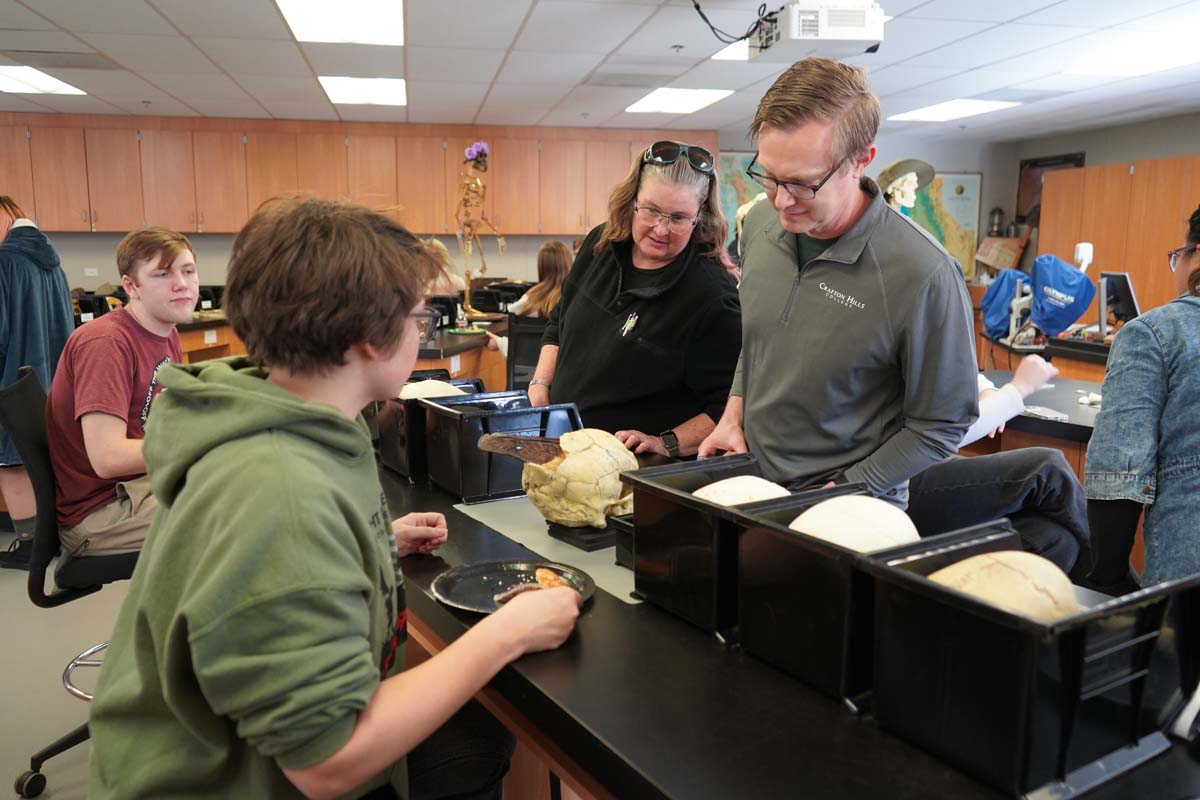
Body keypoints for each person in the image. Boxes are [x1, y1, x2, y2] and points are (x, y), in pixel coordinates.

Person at [88, 197, 582, 799]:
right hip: (234, 782)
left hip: (242, 749)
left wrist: (366, 546)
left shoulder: (288, 416)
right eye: (417, 320)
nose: (419, 335)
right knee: (482, 729)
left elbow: (272, 566)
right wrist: (508, 632)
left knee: (477, 732)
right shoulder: (283, 495)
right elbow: (325, 763)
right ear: (369, 339)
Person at [699, 57, 978, 506]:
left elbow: (940, 426)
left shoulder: (925, 273)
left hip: (850, 505)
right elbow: (760, 344)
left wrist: (842, 490)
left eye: (802, 184)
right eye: (768, 176)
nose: (780, 201)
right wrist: (733, 416)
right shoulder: (758, 225)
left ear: (860, 161)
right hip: (753, 482)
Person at [529, 141, 742, 459]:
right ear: (631, 201)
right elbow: (560, 320)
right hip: (562, 447)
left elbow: (727, 407)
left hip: (635, 473)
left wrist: (665, 442)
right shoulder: (599, 244)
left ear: (701, 216)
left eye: (679, 217)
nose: (662, 229)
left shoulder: (712, 297)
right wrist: (541, 384)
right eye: (652, 210)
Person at [44, 227, 197, 557]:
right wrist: (195, 445)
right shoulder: (106, 344)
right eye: (162, 274)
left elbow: (163, 419)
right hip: (101, 512)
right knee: (243, 512)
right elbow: (108, 458)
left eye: (188, 271)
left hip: (140, 485)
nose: (182, 283)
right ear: (131, 287)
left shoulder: (165, 331)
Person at [1084, 204, 1200, 592]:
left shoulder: (1156, 332)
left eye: (1177, 256)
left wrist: (1110, 580)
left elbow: (1118, 472)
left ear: (1196, 254)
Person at [905, 355, 1090, 574]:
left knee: (1057, 540)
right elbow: (939, 437)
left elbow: (955, 371)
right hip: (894, 482)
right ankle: (1112, 588)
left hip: (918, 465)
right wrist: (1017, 390)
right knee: (1046, 467)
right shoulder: (909, 325)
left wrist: (987, 390)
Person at [0, 196, 73, 570]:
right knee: (40, 459)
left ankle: (30, 545)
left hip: (11, 380)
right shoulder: (52, 263)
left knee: (9, 462)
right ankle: (52, 536)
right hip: (51, 378)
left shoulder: (4, 262)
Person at [484, 240, 571, 357]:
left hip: (530, 371)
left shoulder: (531, 299)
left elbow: (509, 313)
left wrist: (500, 343)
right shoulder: (573, 299)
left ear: (542, 267)